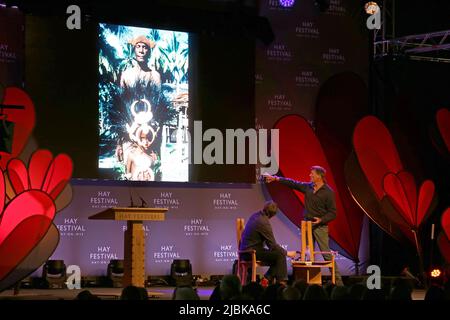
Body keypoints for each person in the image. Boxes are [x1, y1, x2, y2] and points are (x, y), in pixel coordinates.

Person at [263, 166, 344, 286]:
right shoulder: (308, 187)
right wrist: (275, 179)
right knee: (306, 254)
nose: (310, 176)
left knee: (326, 254)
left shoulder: (328, 192)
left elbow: (333, 213)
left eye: (312, 174)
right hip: (307, 226)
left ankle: (339, 283)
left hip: (320, 227)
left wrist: (321, 220)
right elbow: (292, 183)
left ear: (319, 176)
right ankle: (305, 284)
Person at [239, 201, 297, 285]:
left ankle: (267, 279)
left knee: (278, 256)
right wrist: (287, 253)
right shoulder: (264, 222)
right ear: (272, 215)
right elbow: (272, 245)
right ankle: (281, 283)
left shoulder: (255, 215)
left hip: (247, 251)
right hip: (251, 252)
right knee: (280, 255)